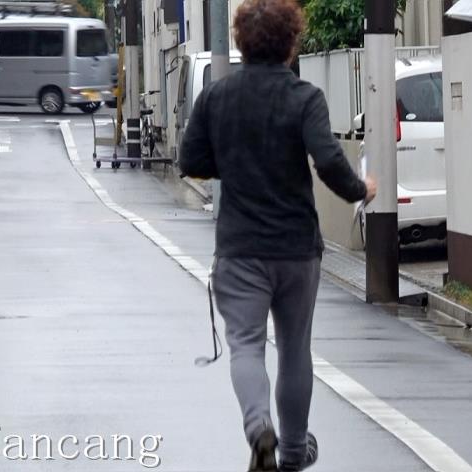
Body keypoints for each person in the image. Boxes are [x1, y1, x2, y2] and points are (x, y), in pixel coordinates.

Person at [178, 0, 376, 470]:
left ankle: (258, 428)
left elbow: (191, 161)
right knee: (293, 349)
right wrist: (360, 190)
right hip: (296, 249)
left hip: (240, 248)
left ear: (241, 42)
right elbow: (328, 160)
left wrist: (233, 165)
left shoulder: (216, 97)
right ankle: (293, 451)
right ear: (291, 43)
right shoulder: (305, 97)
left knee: (246, 344)